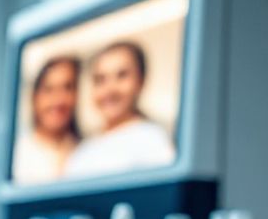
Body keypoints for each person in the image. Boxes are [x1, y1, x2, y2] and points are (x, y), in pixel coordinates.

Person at [65, 41, 175, 179]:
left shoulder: (153, 140)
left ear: (140, 81)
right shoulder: (81, 152)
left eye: (122, 75)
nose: (110, 89)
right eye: (100, 79)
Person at [12, 56, 81, 184]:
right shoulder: (17, 154)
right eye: (49, 90)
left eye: (67, 88)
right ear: (34, 97)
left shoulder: (85, 150)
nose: (58, 100)